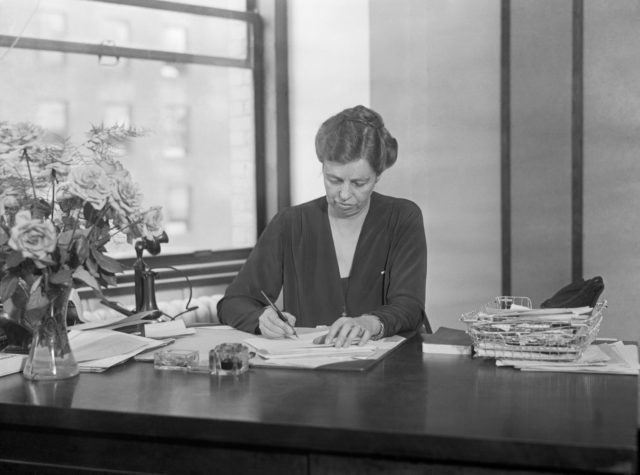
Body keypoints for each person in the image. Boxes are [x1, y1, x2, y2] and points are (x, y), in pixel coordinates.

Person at [217, 105, 430, 347]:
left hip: (392, 370)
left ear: (377, 177)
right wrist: (261, 318)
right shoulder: (291, 224)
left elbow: (410, 307)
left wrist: (369, 323)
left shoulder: (402, 217)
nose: (345, 194)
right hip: (313, 372)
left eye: (359, 183)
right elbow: (233, 302)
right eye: (334, 180)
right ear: (322, 168)